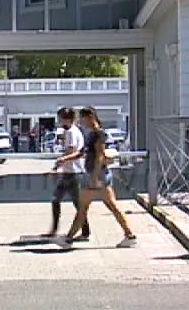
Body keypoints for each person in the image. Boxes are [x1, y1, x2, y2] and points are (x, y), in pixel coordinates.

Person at [56, 106, 137, 249]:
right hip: (98, 175)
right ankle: (129, 235)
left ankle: (68, 239)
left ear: (90, 117)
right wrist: (65, 159)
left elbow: (100, 156)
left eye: (82, 119)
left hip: (95, 175)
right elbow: (82, 153)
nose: (81, 122)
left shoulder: (98, 134)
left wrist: (94, 177)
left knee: (83, 208)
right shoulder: (91, 134)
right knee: (109, 206)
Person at [40, 107, 90, 241]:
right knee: (56, 200)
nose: (60, 121)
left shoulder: (72, 132)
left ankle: (85, 231)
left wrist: (57, 166)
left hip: (74, 173)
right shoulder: (69, 131)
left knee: (78, 204)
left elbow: (71, 152)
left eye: (61, 119)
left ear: (68, 119)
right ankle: (55, 229)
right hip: (68, 172)